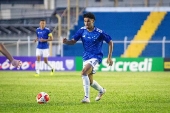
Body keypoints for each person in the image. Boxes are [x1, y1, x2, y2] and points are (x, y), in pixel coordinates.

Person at [63, 12, 113, 103]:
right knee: (90, 82)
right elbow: (73, 41)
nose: (86, 23)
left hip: (96, 57)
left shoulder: (99, 32)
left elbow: (110, 42)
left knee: (83, 72)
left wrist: (109, 57)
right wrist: (67, 42)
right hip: (86, 57)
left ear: (93, 21)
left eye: (88, 21)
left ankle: (86, 98)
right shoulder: (82, 30)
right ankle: (102, 90)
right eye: (85, 21)